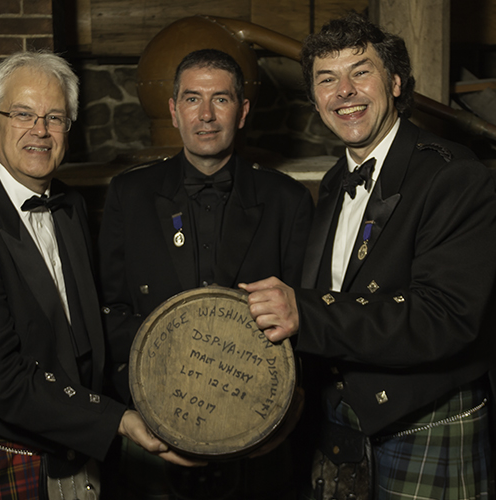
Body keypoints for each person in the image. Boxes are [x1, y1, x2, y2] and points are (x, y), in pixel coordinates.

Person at [0, 50, 197, 500]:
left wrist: (179, 342)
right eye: (22, 114)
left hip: (67, 443)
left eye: (55, 117)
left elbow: (80, 322)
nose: (39, 131)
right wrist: (117, 419)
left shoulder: (69, 207)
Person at [240, 14, 496, 500]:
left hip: (425, 419)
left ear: (395, 82)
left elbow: (444, 318)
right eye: (327, 79)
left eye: (360, 72)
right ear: (316, 99)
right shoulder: (335, 181)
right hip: (341, 424)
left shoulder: (453, 175)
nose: (344, 91)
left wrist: (305, 312)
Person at [98, 49, 315, 498]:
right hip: (152, 421)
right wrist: (150, 405)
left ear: (243, 111)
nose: (206, 115)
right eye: (193, 99)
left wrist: (278, 416)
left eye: (221, 99)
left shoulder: (287, 201)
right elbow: (108, 312)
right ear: (174, 111)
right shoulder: (129, 194)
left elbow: (305, 320)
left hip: (256, 427)